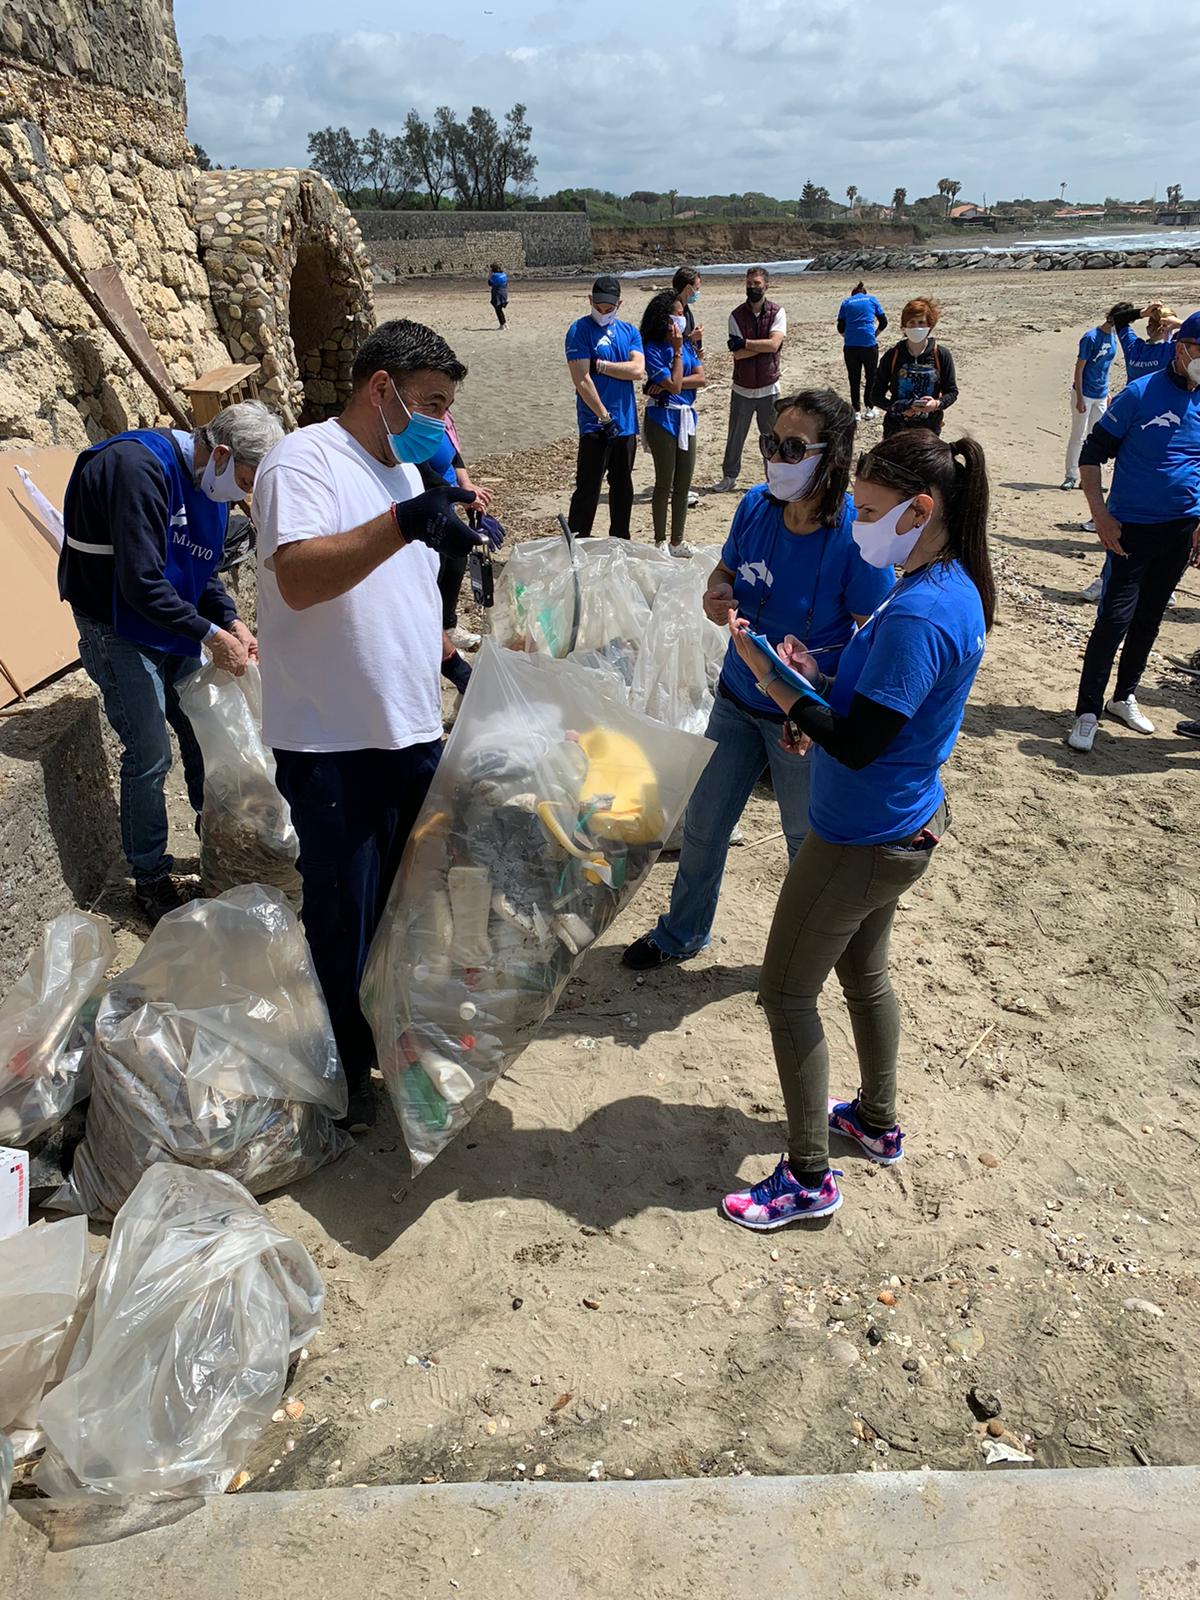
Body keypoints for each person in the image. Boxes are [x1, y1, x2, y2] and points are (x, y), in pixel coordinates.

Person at [718, 428, 995, 1228]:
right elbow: (879, 704)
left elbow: (862, 742)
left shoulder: (921, 612)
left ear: (921, 510)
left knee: (784, 992)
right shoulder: (945, 583)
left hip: (861, 837)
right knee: (864, 976)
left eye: (870, 513)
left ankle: (808, 1178)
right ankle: (876, 1121)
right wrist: (820, 678)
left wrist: (774, 681)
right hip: (901, 824)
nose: (859, 527)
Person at [253, 318, 503, 1132]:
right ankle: (341, 1076)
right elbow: (297, 578)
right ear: (380, 387)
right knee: (342, 918)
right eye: (431, 403)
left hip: (411, 734)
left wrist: (455, 653)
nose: (441, 422)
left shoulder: (402, 472)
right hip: (335, 743)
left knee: (408, 910)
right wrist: (404, 524)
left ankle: (388, 1042)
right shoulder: (305, 459)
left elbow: (401, 604)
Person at [622, 389, 896, 973]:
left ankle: (809, 954)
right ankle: (682, 933)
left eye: (794, 447)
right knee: (704, 824)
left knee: (805, 842)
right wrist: (715, 594)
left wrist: (819, 686)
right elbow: (724, 570)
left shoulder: (857, 536)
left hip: (800, 718)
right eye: (772, 442)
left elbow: (873, 639)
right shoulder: (754, 506)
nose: (775, 457)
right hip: (736, 699)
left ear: (831, 455)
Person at [60, 400, 283, 923]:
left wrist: (230, 621)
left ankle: (218, 838)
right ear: (221, 454)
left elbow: (200, 569)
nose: (243, 496)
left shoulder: (210, 485)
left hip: (169, 619)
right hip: (116, 623)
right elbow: (140, 582)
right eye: (245, 481)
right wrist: (209, 635)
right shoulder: (137, 468)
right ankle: (150, 877)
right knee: (150, 752)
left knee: (201, 729)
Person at [1066, 311, 1200, 753]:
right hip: (1130, 529)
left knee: (1150, 617)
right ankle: (1087, 711)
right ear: (1181, 348)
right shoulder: (1139, 393)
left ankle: (1123, 697)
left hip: (1181, 528)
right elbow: (1092, 453)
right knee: (1114, 619)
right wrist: (1100, 514)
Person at [565, 274, 645, 539]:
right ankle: (577, 543)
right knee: (588, 489)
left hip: (626, 424)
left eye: (608, 308)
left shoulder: (629, 332)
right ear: (590, 300)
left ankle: (620, 541)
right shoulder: (579, 330)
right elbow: (581, 378)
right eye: (598, 307)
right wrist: (604, 416)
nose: (603, 312)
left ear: (619, 305)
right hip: (595, 424)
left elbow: (637, 370)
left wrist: (601, 365)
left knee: (622, 487)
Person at [421, 410, 496, 653]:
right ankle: (431, 638)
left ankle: (448, 626)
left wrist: (466, 485)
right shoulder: (413, 426)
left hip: (449, 503)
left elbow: (454, 456)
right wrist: (462, 496)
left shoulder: (444, 419)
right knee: (436, 571)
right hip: (429, 504)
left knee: (456, 562)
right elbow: (424, 473)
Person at [640, 288, 707, 553]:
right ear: (664, 319)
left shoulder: (688, 345)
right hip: (662, 417)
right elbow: (675, 386)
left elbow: (700, 378)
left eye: (683, 314)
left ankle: (677, 540)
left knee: (683, 483)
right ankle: (660, 540)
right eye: (677, 314)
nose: (682, 319)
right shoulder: (653, 348)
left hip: (685, 416)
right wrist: (676, 355)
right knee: (664, 482)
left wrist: (670, 381)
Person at [713, 267, 787, 492]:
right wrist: (760, 346)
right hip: (742, 388)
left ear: (766, 286)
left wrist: (746, 343)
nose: (752, 287)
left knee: (771, 437)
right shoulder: (735, 315)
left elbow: (773, 344)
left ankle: (774, 479)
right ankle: (729, 476)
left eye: (756, 283)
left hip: (769, 387)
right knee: (735, 436)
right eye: (749, 283)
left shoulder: (777, 312)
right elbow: (737, 354)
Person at [870, 298, 958, 438]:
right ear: (904, 326)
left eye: (921, 322)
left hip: (929, 430)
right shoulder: (892, 355)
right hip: (896, 428)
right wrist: (900, 408)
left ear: (930, 325)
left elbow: (952, 392)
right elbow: (876, 396)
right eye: (911, 322)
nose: (916, 327)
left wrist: (936, 404)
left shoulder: (941, 355)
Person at [1061, 311, 1117, 491]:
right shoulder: (1090, 337)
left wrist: (1107, 392)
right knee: (1078, 435)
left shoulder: (1114, 338)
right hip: (1084, 393)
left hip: (1101, 394)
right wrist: (1079, 397)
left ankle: (1090, 480)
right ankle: (1070, 475)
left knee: (1095, 439)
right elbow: (1079, 369)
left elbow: (1105, 367)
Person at [837, 280, 887, 420]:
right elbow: (884, 322)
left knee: (854, 378)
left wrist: (847, 337)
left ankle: (856, 411)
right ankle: (870, 407)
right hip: (868, 344)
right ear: (864, 293)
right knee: (871, 376)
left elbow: (840, 326)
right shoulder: (872, 299)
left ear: (852, 294)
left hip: (851, 346)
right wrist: (875, 334)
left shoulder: (846, 302)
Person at [1110, 300, 1180, 381]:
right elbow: (1194, 331)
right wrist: (1179, 323)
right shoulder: (1174, 350)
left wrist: (1143, 313)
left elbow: (1119, 319)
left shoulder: (1134, 347)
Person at [673, 264, 704, 350]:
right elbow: (671, 342)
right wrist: (691, 338)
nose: (697, 292)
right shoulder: (672, 311)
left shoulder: (686, 310)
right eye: (696, 289)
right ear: (688, 288)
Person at [488, 263, 508, 330]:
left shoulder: (494, 276)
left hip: (497, 293)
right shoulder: (503, 274)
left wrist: (490, 275)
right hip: (504, 292)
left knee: (498, 309)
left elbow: (490, 283)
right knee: (500, 309)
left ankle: (502, 325)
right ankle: (504, 323)